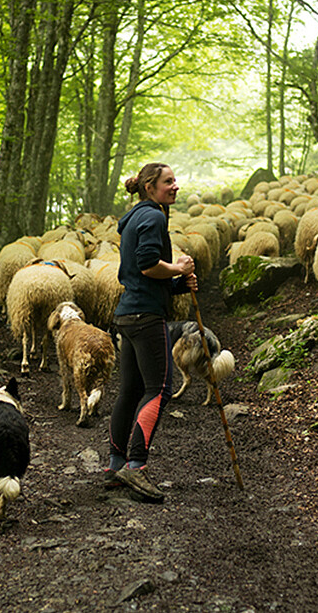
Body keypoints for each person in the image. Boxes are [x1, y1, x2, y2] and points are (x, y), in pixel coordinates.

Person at [106, 163, 197, 502]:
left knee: (129, 391)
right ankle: (136, 466)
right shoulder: (154, 217)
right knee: (159, 389)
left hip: (128, 314)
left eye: (175, 180)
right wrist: (178, 267)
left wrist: (177, 285)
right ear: (149, 186)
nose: (175, 186)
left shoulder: (135, 217)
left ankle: (115, 466)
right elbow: (147, 263)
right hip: (146, 319)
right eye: (168, 181)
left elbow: (139, 275)